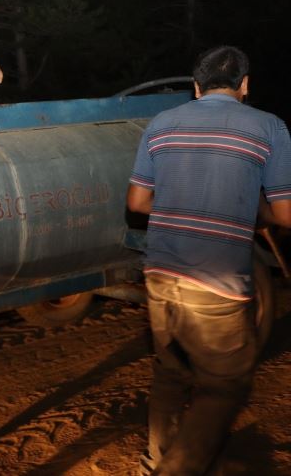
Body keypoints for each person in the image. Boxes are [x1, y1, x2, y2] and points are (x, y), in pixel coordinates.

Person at [127, 45, 291, 475]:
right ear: (245, 85)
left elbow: (138, 202)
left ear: (196, 88)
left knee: (170, 373)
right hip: (216, 281)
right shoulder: (269, 127)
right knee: (224, 386)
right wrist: (247, 208)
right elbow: (284, 214)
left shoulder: (162, 123)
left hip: (160, 273)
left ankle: (155, 460)